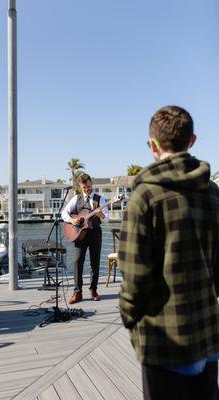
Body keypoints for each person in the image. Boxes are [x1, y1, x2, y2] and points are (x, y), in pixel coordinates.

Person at [118, 106, 219, 400]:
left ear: (152, 146)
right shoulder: (213, 195)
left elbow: (135, 277)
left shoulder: (144, 197)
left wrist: (128, 315)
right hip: (207, 334)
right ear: (192, 141)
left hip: (164, 338)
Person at [62, 173, 109, 303]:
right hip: (79, 234)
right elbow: (64, 213)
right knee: (77, 261)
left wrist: (101, 215)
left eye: (88, 186)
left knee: (95, 263)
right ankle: (77, 292)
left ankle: (93, 290)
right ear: (80, 187)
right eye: (84, 187)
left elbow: (107, 218)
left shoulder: (100, 199)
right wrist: (72, 220)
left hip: (95, 233)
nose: (87, 189)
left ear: (91, 184)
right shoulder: (76, 199)